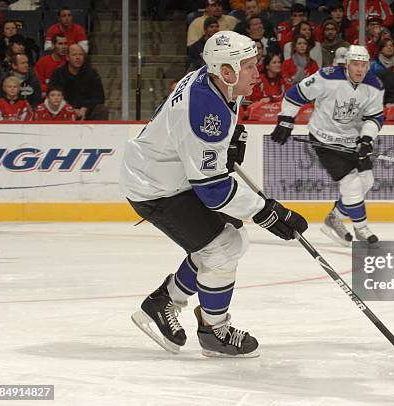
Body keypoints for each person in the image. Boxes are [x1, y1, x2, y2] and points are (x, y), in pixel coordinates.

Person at [120, 31, 308, 357]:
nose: (257, 74)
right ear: (226, 71)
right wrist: (268, 211)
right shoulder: (205, 111)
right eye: (249, 67)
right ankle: (214, 332)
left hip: (171, 175)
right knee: (222, 248)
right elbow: (213, 190)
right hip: (156, 188)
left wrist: (231, 136)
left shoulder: (212, 80)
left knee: (231, 238)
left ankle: (163, 302)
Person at [270, 45, 384, 246]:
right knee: (351, 184)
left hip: (351, 141)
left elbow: (374, 117)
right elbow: (296, 93)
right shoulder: (327, 77)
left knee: (366, 180)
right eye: (355, 65)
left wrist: (366, 139)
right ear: (346, 64)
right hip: (324, 140)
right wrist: (286, 120)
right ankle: (362, 228)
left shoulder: (374, 85)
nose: (359, 69)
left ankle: (334, 218)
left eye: (363, 65)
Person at [49, 44, 107, 120]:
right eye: (74, 55)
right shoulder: (58, 74)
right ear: (67, 57)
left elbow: (99, 97)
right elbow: (52, 95)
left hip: (86, 111)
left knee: (101, 109)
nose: (78, 57)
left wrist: (86, 108)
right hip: (63, 110)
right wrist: (69, 109)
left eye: (80, 54)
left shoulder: (91, 73)